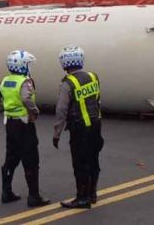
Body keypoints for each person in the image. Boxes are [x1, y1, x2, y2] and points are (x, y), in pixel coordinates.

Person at [0, 50, 50, 207]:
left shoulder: (5, 80)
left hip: (10, 123)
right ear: (22, 65)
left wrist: (4, 108)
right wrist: (35, 111)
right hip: (24, 124)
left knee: (11, 157)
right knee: (31, 159)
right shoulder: (25, 81)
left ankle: (6, 192)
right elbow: (26, 98)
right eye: (28, 64)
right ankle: (34, 196)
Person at [53, 46, 104, 209]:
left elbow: (61, 110)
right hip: (96, 126)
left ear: (64, 63)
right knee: (93, 160)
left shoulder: (67, 83)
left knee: (80, 163)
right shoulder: (93, 76)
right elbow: (97, 99)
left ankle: (82, 198)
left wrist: (57, 133)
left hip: (80, 129)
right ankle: (92, 194)